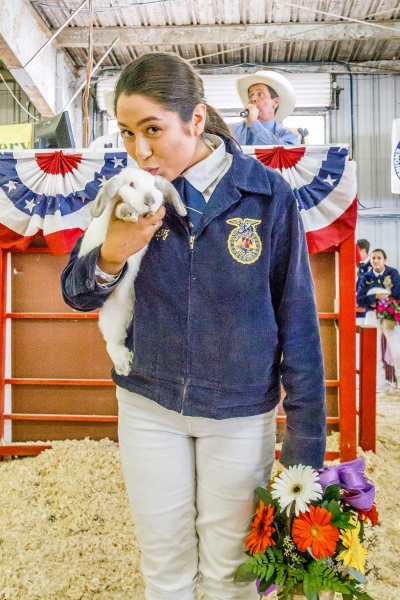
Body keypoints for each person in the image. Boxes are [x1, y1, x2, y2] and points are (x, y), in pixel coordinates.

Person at [61, 52, 326, 600]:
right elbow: (76, 293)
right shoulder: (124, 194)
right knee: (165, 568)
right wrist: (111, 255)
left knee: (235, 574)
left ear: (196, 120)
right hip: (148, 406)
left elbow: (298, 322)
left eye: (153, 130)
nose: (140, 150)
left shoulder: (268, 195)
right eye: (128, 133)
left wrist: (306, 443)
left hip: (239, 412)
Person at [357, 248, 400, 393]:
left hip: (389, 313)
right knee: (372, 351)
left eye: (378, 258)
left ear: (384, 260)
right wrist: (375, 298)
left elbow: (397, 293)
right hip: (372, 315)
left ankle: (398, 383)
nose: (375, 261)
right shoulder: (366, 276)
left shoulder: (393, 273)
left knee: (397, 349)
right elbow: (360, 298)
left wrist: (385, 299)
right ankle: (378, 386)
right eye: (373, 258)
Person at [230, 70, 299, 146]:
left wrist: (254, 124)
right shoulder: (230, 130)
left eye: (260, 94)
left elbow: (283, 154)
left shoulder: (288, 136)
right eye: (250, 95)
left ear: (275, 102)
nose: (253, 99)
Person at [356, 238, 371, 324]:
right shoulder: (354, 263)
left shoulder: (373, 266)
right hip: (354, 310)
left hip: (367, 310)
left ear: (363, 251)